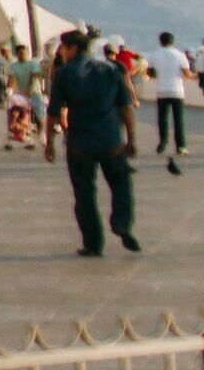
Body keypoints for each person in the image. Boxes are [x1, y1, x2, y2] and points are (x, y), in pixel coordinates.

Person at [46, 30, 140, 256]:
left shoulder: (63, 74)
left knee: (84, 193)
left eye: (63, 48)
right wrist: (132, 139)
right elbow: (125, 106)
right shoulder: (111, 69)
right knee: (121, 183)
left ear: (73, 49)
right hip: (111, 140)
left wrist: (49, 141)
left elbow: (54, 111)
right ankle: (121, 223)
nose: (61, 53)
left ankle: (93, 243)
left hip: (80, 143)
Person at [144, 33, 192, 174]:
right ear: (173, 41)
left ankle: (163, 142)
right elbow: (187, 74)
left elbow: (150, 73)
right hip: (177, 90)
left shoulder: (154, 55)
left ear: (160, 41)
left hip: (161, 90)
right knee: (178, 119)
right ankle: (180, 146)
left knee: (162, 118)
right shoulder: (180, 55)